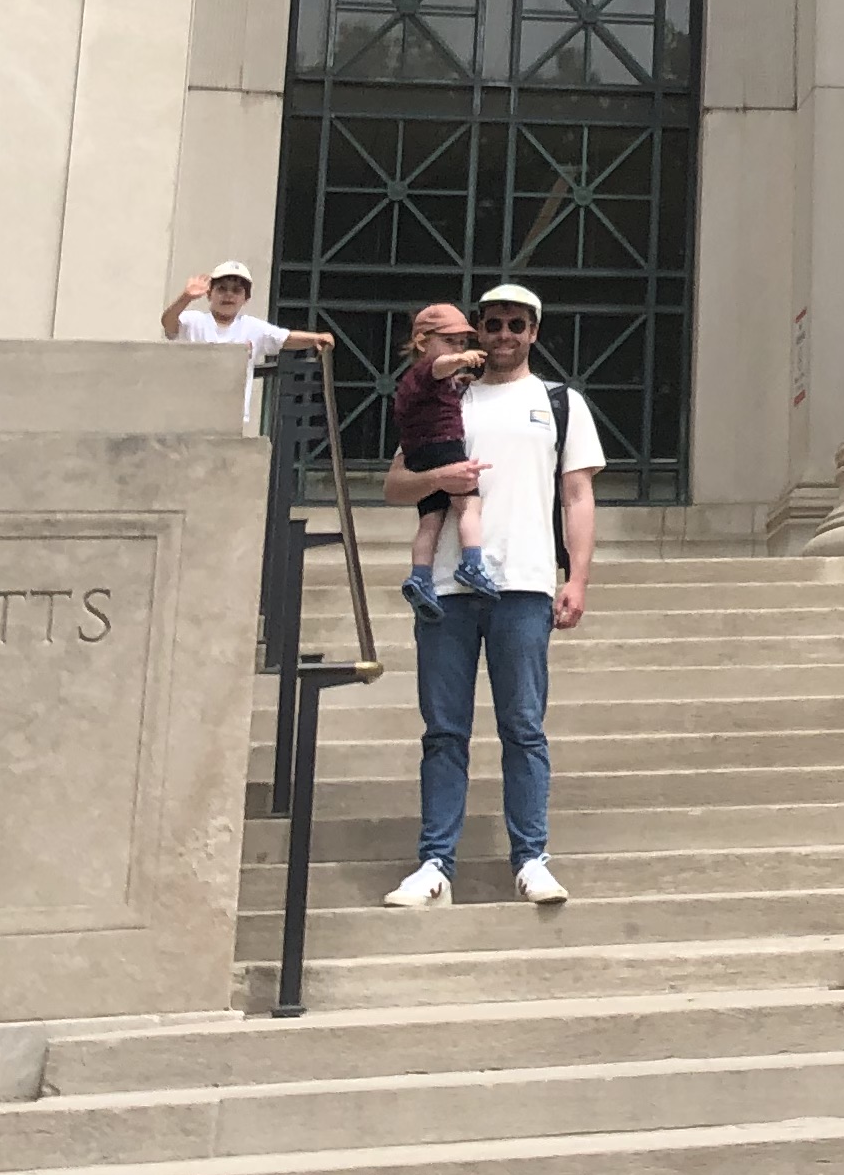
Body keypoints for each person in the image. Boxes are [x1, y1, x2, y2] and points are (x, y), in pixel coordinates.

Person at [381, 282, 601, 912]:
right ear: (479, 330)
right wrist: (437, 478)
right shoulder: (445, 393)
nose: (504, 336)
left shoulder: (559, 403)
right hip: (447, 587)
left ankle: (531, 857)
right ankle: (434, 863)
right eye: (494, 324)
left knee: (523, 727)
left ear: (533, 331)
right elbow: (396, 484)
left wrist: (577, 577)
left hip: (525, 583)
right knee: (444, 731)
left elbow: (578, 494)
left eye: (517, 325)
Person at [390, 302, 494, 614]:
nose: (458, 348)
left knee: (429, 522)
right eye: (449, 341)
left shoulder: (415, 380)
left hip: (417, 452)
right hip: (443, 444)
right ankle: (472, 562)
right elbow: (440, 367)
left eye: (462, 342)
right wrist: (460, 360)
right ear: (422, 342)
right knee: (468, 505)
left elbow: (438, 382)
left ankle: (420, 577)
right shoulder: (427, 368)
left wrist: (457, 379)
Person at [161, 261, 333, 360]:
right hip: (188, 411)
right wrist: (186, 297)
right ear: (209, 294)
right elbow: (168, 323)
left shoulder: (252, 327)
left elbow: (285, 339)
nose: (228, 295)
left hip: (232, 414)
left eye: (236, 291)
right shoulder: (194, 321)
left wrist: (316, 338)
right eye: (221, 289)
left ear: (246, 299)